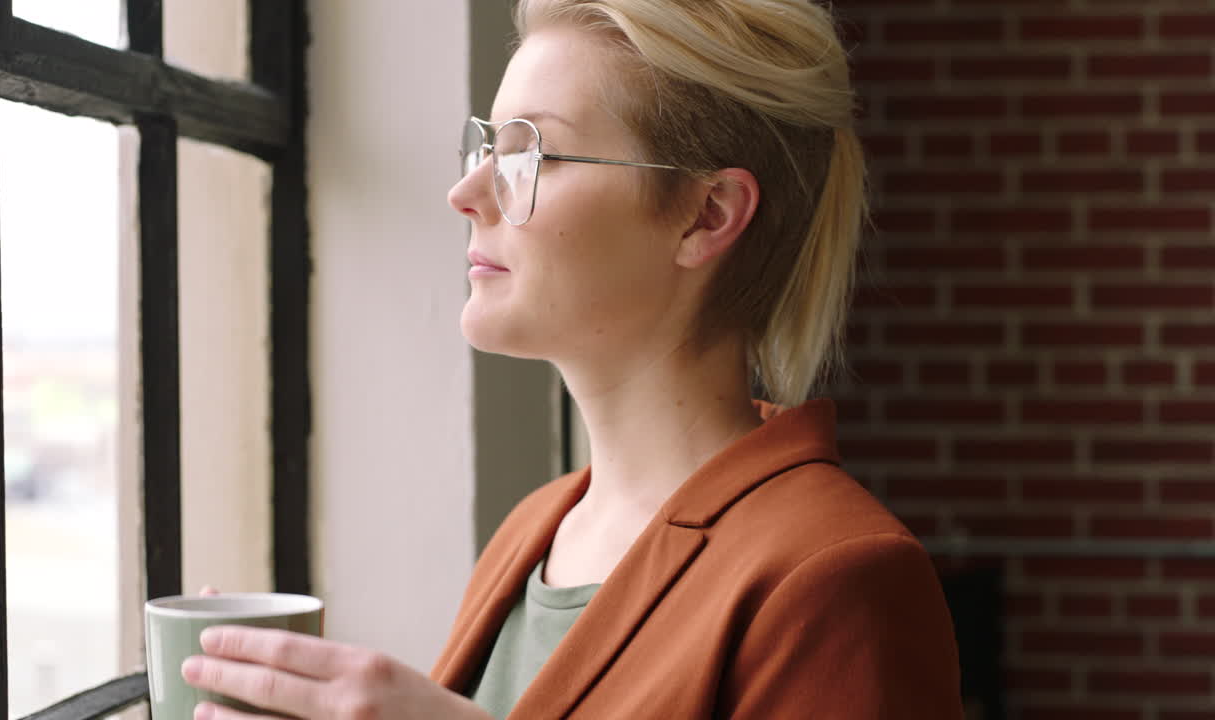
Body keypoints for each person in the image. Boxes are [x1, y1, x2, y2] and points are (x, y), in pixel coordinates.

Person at [180, 0, 964, 718]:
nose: (467, 190)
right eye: (485, 143)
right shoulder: (534, 532)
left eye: (531, 154)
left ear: (706, 213)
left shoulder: (836, 575)